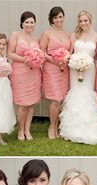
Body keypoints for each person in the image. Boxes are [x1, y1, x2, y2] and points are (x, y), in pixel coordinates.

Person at [59, 10, 97, 144]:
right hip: (74, 69)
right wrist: (72, 61)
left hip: (89, 69)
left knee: (87, 93)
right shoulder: (74, 35)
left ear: (90, 21)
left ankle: (89, 126)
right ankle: (72, 128)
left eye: (85, 20)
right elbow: (70, 53)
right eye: (81, 21)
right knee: (76, 93)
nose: (83, 23)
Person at [8, 11, 42, 141]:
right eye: (27, 22)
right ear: (22, 23)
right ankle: (20, 130)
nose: (29, 24)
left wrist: (37, 59)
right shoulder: (16, 35)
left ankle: (28, 129)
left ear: (35, 24)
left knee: (31, 104)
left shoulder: (36, 39)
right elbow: (10, 54)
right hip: (20, 73)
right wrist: (25, 60)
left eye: (32, 22)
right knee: (22, 104)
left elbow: (40, 56)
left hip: (34, 73)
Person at [40, 7, 71, 139]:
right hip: (51, 69)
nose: (58, 20)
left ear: (63, 17)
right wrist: (54, 61)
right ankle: (51, 127)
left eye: (60, 17)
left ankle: (57, 125)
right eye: (55, 17)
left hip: (64, 70)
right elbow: (41, 51)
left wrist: (65, 59)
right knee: (55, 99)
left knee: (61, 99)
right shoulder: (47, 33)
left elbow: (70, 51)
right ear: (51, 19)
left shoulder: (67, 34)